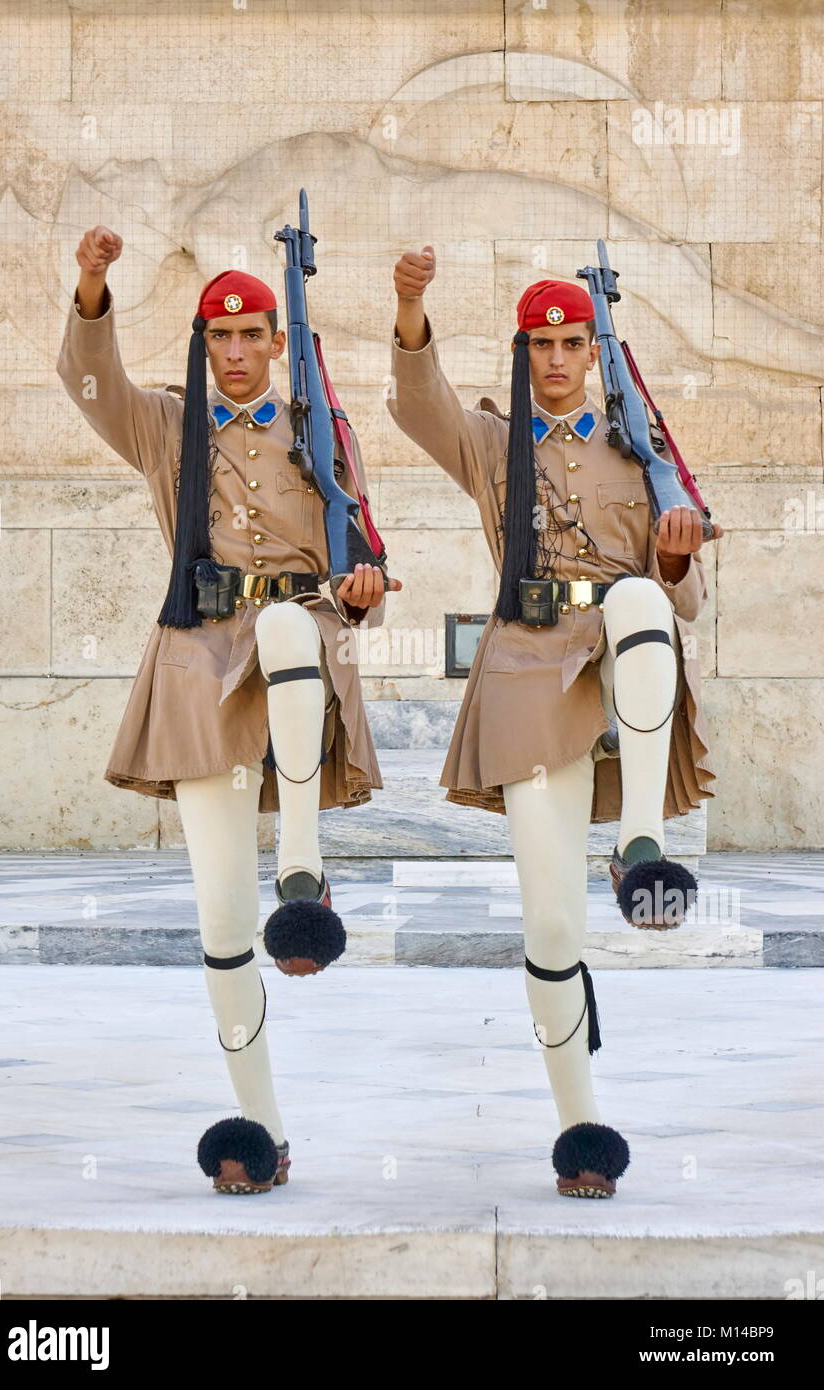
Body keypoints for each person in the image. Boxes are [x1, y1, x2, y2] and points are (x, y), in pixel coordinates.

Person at [57, 225, 401, 1194]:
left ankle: (304, 869)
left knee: (291, 628)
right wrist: (91, 291)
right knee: (218, 922)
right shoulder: (170, 427)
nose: (239, 351)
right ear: (205, 346)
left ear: (276, 342)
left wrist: (362, 593)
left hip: (296, 657)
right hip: (198, 664)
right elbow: (93, 391)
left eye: (254, 333)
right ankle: (260, 1124)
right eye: (222, 337)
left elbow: (353, 560)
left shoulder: (322, 429)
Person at [386, 246, 720, 1198]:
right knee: (548, 925)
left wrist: (673, 553)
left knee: (644, 607)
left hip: (624, 665)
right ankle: (581, 1128)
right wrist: (411, 310)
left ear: (595, 351)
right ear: (525, 350)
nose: (558, 361)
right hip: (530, 670)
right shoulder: (497, 444)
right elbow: (420, 408)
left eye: (573, 344)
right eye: (542, 345)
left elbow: (685, 601)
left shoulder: (639, 447)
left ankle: (645, 846)